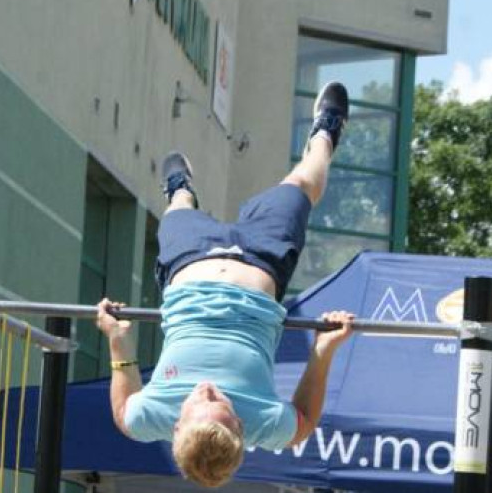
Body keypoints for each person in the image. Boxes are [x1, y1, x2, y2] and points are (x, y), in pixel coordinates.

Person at [96, 81, 356, 488]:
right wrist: (323, 352)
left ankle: (180, 189)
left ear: (177, 426)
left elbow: (123, 404)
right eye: (221, 403)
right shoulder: (266, 424)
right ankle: (327, 131)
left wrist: (116, 338)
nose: (208, 390)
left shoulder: (145, 419)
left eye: (200, 402)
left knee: (176, 212)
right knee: (304, 186)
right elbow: (304, 423)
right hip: (261, 261)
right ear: (240, 427)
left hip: (189, 260)